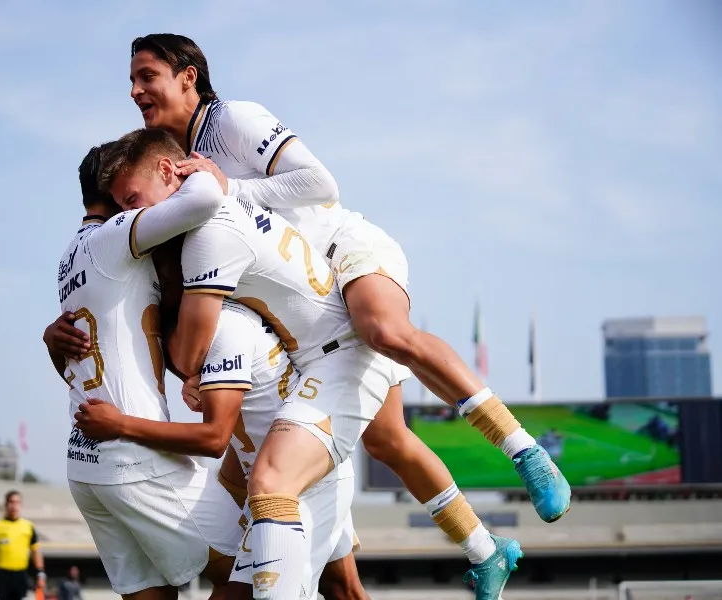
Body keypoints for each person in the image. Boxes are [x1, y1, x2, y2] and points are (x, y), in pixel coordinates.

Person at [44, 33, 570, 529]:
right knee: (385, 440)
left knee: (384, 331)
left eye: (146, 75)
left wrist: (230, 188)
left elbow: (321, 183)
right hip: (299, 298)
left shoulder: (232, 118)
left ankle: (523, 448)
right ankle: (483, 547)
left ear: (188, 76)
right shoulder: (168, 157)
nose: (135, 90)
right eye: (132, 80)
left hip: (340, 251)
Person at [95, 129, 522, 600]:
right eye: (121, 210)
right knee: (342, 583)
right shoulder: (220, 264)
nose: (131, 221)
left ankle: (520, 467)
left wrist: (125, 420)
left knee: (300, 478)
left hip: (325, 400)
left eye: (132, 202)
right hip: (311, 407)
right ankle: (483, 546)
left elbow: (208, 421)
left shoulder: (212, 255)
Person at [74, 235, 368, 600]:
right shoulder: (192, 327)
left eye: (159, 271)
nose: (151, 280)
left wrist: (120, 425)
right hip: (274, 474)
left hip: (302, 480)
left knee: (255, 592)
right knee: (344, 590)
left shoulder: (227, 326)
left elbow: (214, 439)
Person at [52, 143, 243, 600]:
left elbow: (84, 355)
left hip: (85, 466)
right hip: (135, 457)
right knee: (255, 567)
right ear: (115, 189)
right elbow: (203, 200)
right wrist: (193, 169)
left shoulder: (67, 258)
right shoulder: (116, 234)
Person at [0, 490, 45, 600]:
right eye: (11, 502)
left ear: (21, 505)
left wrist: (40, 574)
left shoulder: (28, 527)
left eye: (17, 502)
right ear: (5, 504)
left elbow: (36, 552)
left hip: (20, 576)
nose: (14, 506)